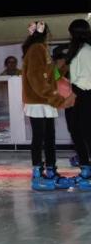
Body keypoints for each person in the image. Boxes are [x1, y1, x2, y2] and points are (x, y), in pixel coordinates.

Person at [23, 22, 74, 190]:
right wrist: (56, 98)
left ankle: (50, 170)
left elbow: (48, 76)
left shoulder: (40, 48)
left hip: (44, 100)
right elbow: (36, 78)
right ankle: (38, 173)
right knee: (40, 137)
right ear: (45, 34)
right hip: (39, 101)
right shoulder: (36, 49)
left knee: (48, 136)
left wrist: (62, 68)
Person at [67, 18, 91, 190]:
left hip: (84, 93)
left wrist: (75, 91)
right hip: (78, 93)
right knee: (76, 130)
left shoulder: (86, 50)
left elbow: (86, 77)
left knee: (84, 132)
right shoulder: (78, 50)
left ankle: (86, 168)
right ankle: (85, 166)